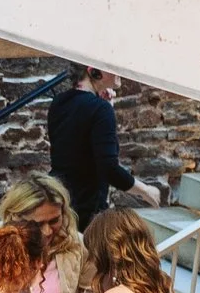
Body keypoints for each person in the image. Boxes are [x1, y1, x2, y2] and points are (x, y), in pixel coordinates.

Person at [47, 66, 161, 228]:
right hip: (85, 210)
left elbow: (77, 145)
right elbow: (109, 168)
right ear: (94, 71)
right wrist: (145, 191)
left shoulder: (60, 101)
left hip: (58, 200)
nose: (119, 71)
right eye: (111, 65)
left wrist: (103, 104)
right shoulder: (100, 109)